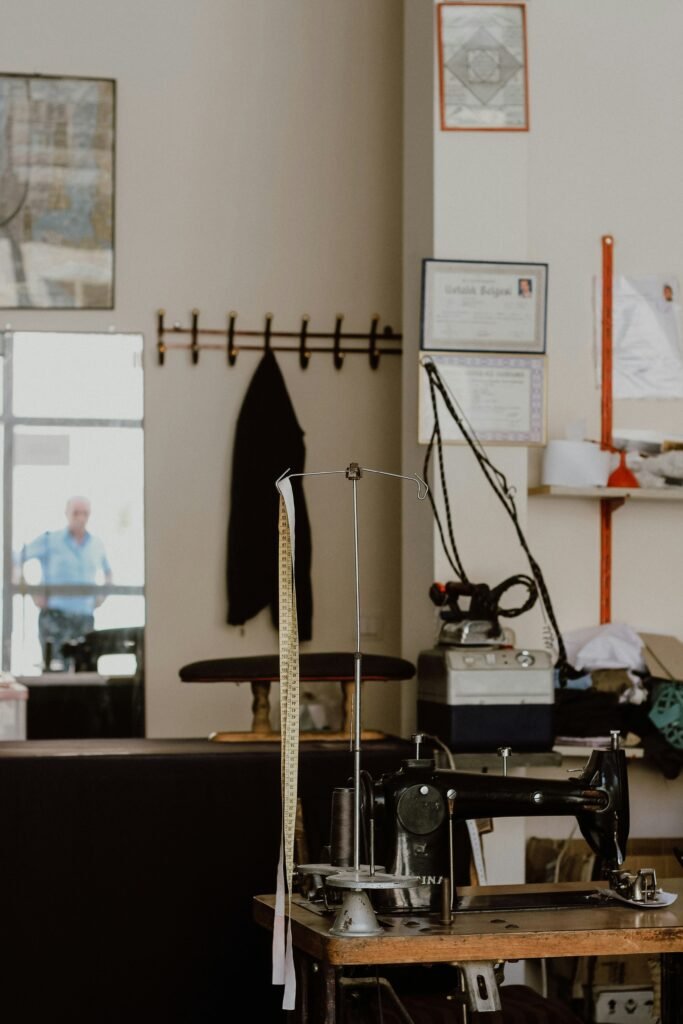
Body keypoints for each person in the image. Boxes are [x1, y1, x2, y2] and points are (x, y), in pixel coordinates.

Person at [18, 496, 112, 668]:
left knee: (84, 672)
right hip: (55, 619)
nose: (81, 518)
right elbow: (17, 560)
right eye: (76, 513)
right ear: (67, 513)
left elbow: (109, 573)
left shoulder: (97, 544)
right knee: (56, 673)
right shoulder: (49, 540)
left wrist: (102, 597)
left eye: (85, 513)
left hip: (84, 619)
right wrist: (32, 591)